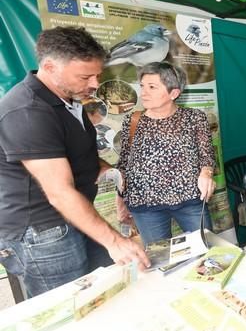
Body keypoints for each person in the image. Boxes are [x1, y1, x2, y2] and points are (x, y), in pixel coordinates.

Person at [0, 26, 150, 298]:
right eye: (85, 76)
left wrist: (107, 170)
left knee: (106, 289)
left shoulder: (70, 100)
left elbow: (77, 153)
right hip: (43, 231)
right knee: (70, 305)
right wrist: (115, 240)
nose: (95, 84)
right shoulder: (28, 111)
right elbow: (59, 191)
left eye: (97, 74)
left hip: (75, 215)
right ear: (50, 66)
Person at [116, 62, 215, 246]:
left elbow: (206, 155)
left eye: (152, 87)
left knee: (205, 249)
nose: (144, 92)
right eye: (143, 86)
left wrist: (206, 173)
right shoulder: (132, 120)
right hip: (145, 205)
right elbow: (123, 164)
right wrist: (120, 199)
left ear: (174, 93)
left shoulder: (194, 117)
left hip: (189, 200)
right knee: (160, 260)